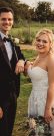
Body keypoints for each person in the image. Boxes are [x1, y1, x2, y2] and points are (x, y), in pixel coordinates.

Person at [0, 7, 26, 136]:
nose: (7, 22)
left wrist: (21, 61)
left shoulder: (11, 40)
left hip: (13, 95)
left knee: (8, 131)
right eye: (3, 19)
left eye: (9, 19)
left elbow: (20, 55)